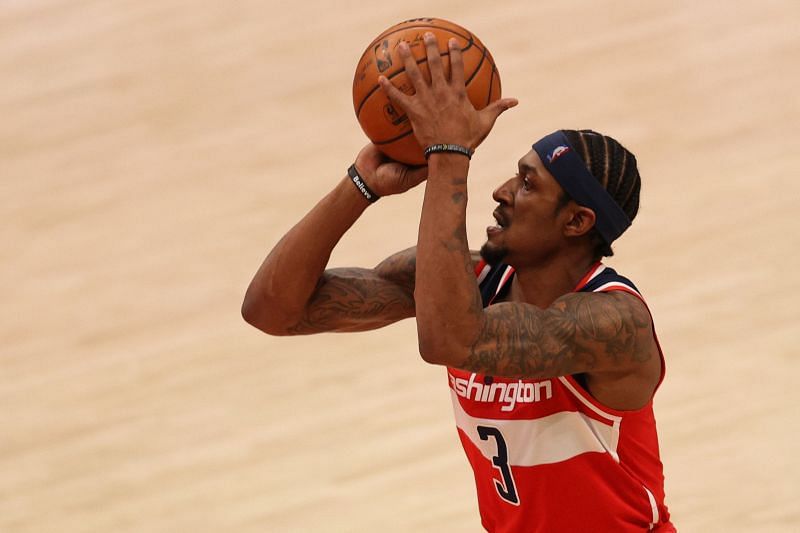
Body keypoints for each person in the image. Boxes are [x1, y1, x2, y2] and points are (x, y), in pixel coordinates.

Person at [242, 32, 675, 532]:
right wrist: (360, 184)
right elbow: (271, 311)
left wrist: (448, 154)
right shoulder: (470, 280)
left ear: (576, 222)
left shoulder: (613, 322)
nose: (503, 190)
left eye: (528, 184)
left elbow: (450, 339)